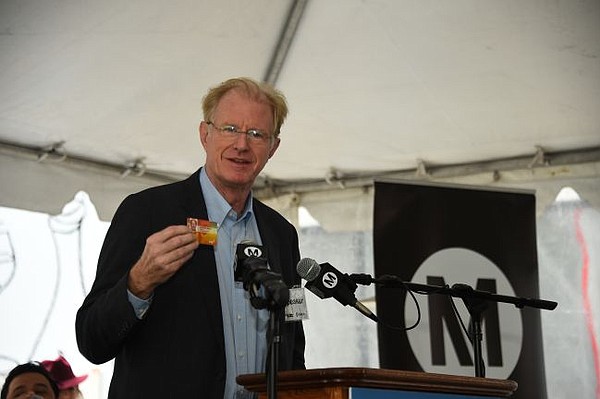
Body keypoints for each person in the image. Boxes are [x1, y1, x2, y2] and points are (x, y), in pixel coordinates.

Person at [75, 77, 306, 398]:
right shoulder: (147, 212)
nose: (241, 144)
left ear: (273, 147)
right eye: (229, 129)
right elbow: (91, 341)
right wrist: (138, 283)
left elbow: (293, 341)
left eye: (256, 134)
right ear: (205, 134)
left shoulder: (282, 234)